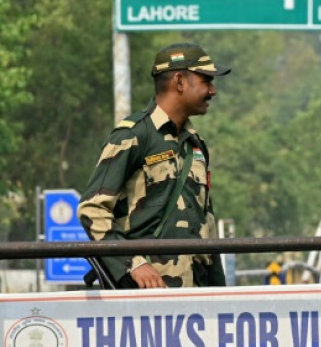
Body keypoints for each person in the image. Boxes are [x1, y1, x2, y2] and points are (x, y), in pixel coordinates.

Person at [78, 42, 230, 288]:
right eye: (206, 80)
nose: (213, 90)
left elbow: (207, 225)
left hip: (196, 295)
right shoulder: (133, 136)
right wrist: (133, 263)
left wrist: (220, 295)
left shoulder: (195, 145)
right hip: (148, 296)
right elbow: (92, 210)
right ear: (180, 82)